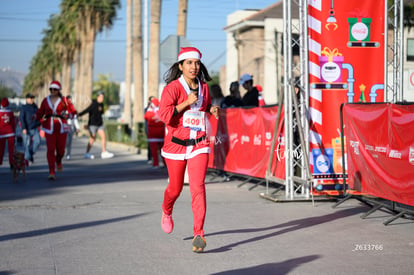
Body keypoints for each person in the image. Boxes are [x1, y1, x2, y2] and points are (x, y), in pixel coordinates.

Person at [158, 47, 219, 253]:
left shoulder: (204, 87)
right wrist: (185, 102)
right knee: (175, 189)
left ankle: (199, 234)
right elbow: (165, 115)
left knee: (198, 187)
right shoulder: (172, 88)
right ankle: (167, 211)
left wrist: (212, 109)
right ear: (181, 66)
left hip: (199, 143)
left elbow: (204, 106)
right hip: (176, 145)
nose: (194, 67)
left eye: (197, 63)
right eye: (189, 63)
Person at [35, 81, 77, 180]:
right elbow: (40, 112)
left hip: (61, 127)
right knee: (50, 149)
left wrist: (69, 115)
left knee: (61, 150)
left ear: (59, 90)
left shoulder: (65, 100)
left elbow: (73, 111)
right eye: (51, 89)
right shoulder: (45, 100)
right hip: (49, 127)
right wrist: (35, 118)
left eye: (55, 89)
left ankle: (58, 161)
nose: (53, 91)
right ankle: (51, 172)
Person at [78, 91, 114, 159]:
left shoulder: (102, 105)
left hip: (99, 124)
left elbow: (101, 113)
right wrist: (79, 114)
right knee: (93, 138)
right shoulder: (94, 104)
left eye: (103, 97)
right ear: (98, 97)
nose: (102, 98)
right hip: (92, 124)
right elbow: (87, 110)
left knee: (103, 136)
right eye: (101, 97)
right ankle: (87, 153)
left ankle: (104, 152)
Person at [20, 93, 41, 164]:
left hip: (35, 128)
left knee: (37, 142)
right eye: (31, 98)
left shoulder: (35, 107)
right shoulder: (24, 107)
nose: (32, 99)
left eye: (33, 98)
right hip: (27, 129)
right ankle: (27, 160)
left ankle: (30, 155)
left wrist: (40, 124)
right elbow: (21, 118)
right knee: (27, 145)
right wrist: (23, 128)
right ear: (27, 99)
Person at [144, 97, 165, 168]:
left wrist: (149, 109)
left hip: (152, 135)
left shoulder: (149, 112)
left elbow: (146, 117)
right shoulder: (161, 112)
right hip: (161, 134)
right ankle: (165, 163)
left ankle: (156, 164)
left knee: (154, 151)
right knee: (163, 150)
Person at [0, 98, 16, 169]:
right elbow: (13, 123)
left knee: (1, 149)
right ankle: (12, 162)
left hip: (1, 133)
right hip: (10, 132)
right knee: (11, 149)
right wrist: (14, 132)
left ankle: (0, 161)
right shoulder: (10, 112)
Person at [65, 95, 80, 160]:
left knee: (69, 142)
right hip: (64, 127)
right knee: (65, 141)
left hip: (71, 127)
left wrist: (77, 127)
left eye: (70, 100)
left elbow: (75, 119)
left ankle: (68, 154)